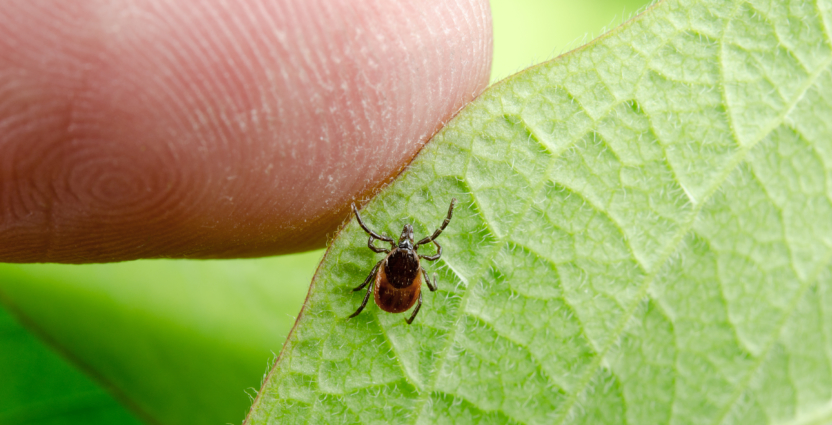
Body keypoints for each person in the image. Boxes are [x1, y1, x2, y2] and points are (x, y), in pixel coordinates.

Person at [0, 0, 491, 263]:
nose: (405, 244)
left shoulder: (389, 256)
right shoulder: (414, 259)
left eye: (403, 247)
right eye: (409, 248)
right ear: (415, 261)